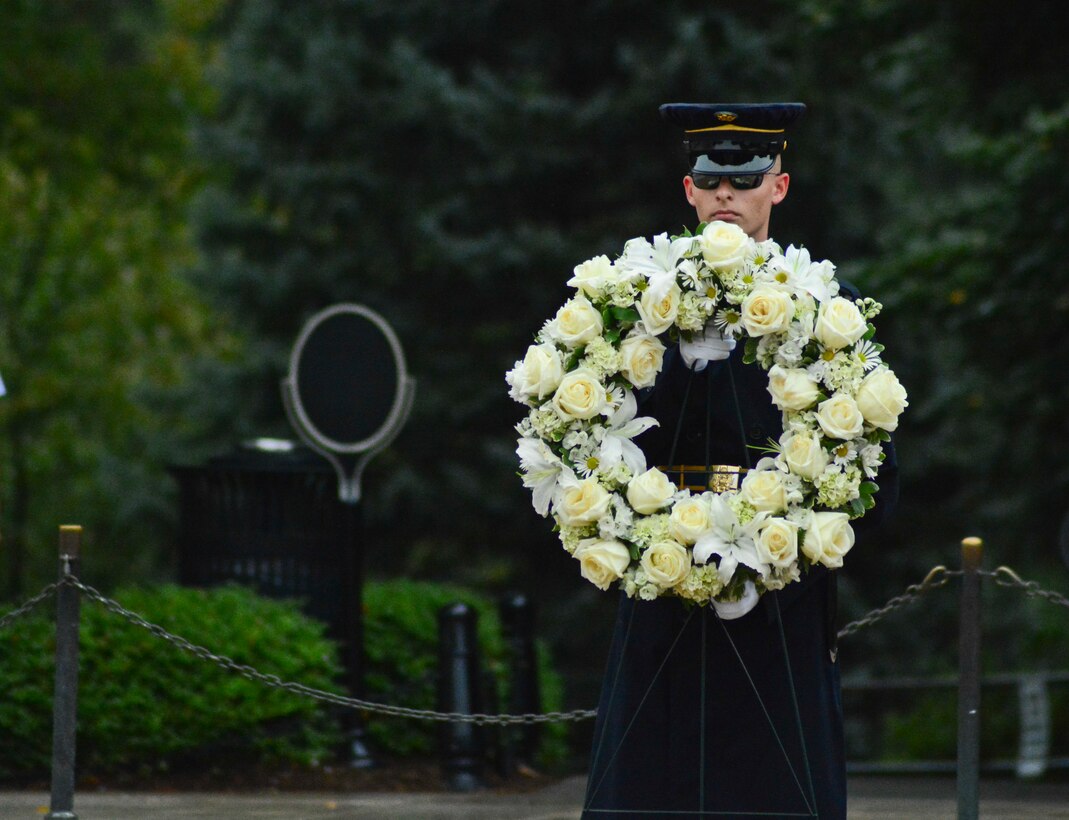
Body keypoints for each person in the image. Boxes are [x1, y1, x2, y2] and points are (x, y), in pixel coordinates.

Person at [581, 102, 899, 819]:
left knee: (770, 786)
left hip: (774, 597)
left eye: (746, 178)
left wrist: (789, 525)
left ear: (776, 189)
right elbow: (599, 432)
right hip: (660, 575)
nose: (726, 194)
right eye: (710, 180)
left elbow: (876, 480)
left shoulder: (828, 310)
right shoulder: (634, 306)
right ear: (688, 190)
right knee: (650, 781)